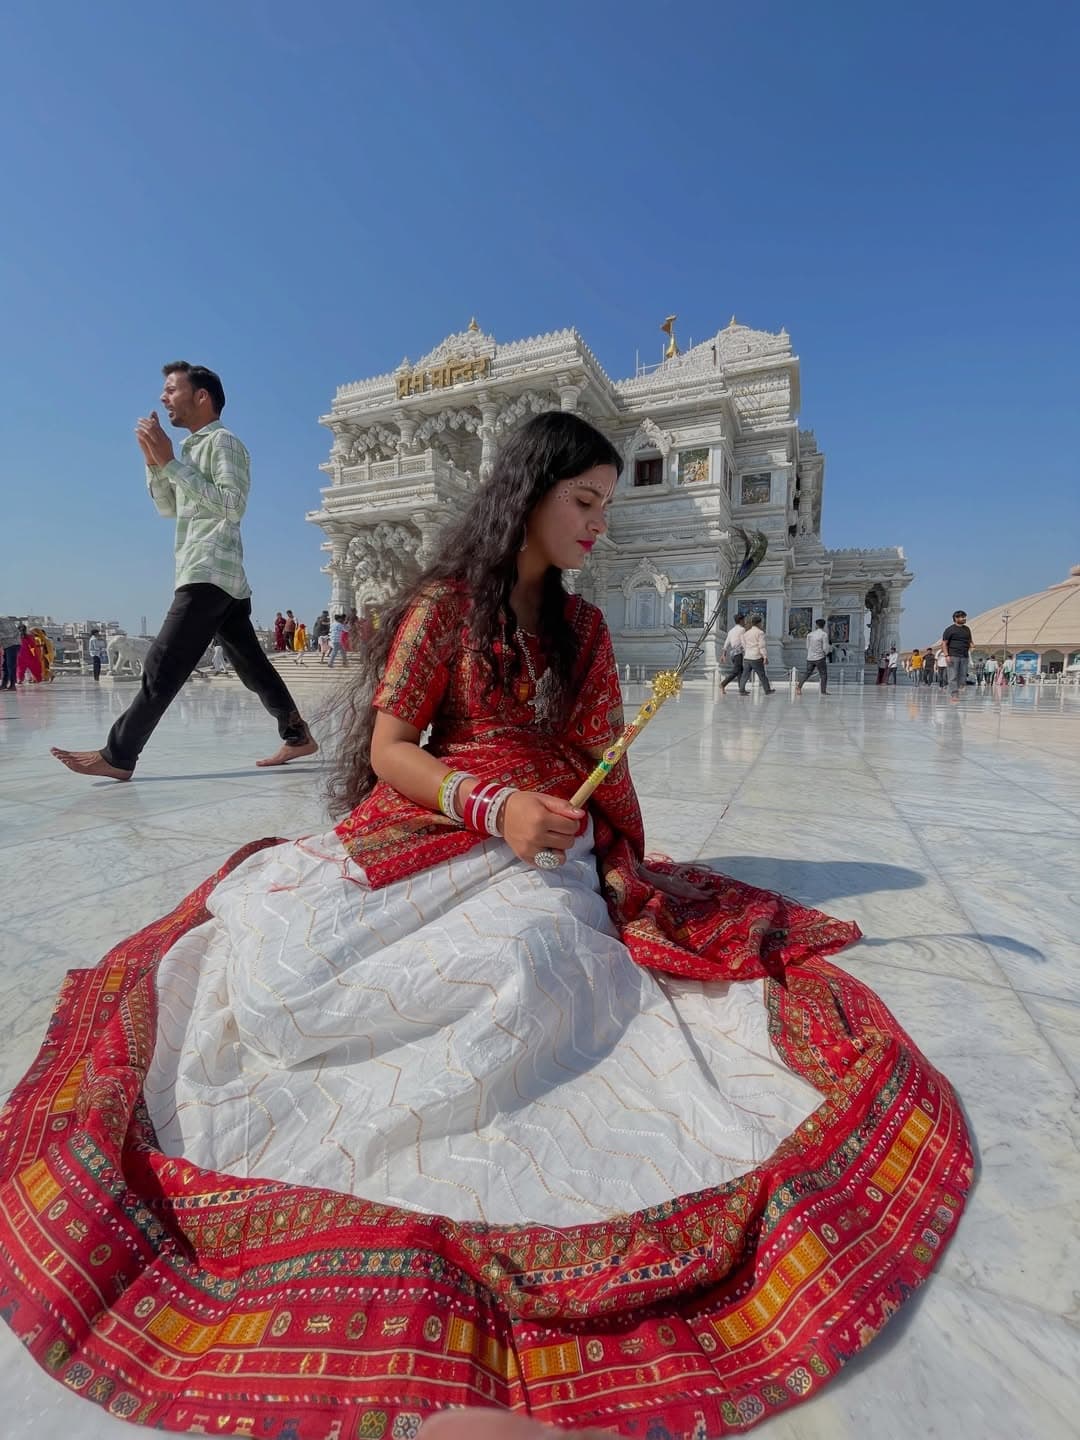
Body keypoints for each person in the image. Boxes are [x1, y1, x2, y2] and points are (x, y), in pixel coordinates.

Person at [0, 412, 970, 1434]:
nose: (597, 523)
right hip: (444, 820)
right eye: (583, 500)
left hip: (546, 843)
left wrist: (574, 823)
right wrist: (490, 806)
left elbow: (597, 765)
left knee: (529, 958)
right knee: (290, 971)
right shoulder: (446, 607)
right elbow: (392, 749)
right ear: (529, 493)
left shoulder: (586, 629)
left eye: (608, 504)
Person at [50, 362, 317, 780]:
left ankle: (119, 755)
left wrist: (171, 462)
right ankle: (297, 735)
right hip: (214, 573)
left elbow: (232, 506)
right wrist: (154, 463)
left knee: (163, 662)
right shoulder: (190, 450)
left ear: (202, 397)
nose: (163, 398)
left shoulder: (224, 442)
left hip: (210, 570)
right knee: (251, 665)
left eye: (172, 389)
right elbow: (168, 508)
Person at [941, 609, 973, 703]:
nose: (964, 619)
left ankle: (957, 689)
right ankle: (954, 694)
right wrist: (946, 655)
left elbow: (970, 640)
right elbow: (944, 643)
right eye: (962, 617)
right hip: (953, 655)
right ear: (956, 618)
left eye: (964, 617)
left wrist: (972, 645)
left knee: (963, 676)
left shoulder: (967, 629)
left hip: (964, 656)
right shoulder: (950, 630)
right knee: (953, 676)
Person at [737, 613, 772, 694]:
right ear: (759, 623)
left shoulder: (746, 633)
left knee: (745, 675)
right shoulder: (760, 633)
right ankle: (767, 690)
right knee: (762, 675)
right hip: (756, 657)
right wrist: (765, 656)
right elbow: (761, 646)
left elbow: (744, 644)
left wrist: (747, 651)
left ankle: (741, 690)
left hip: (747, 656)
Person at [796, 617, 829, 695]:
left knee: (807, 673)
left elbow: (807, 646)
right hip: (820, 657)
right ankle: (823, 691)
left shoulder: (810, 634)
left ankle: (799, 687)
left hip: (810, 657)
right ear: (824, 625)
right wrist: (825, 653)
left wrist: (811, 653)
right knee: (823, 674)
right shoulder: (824, 634)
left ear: (816, 625)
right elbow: (825, 647)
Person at [718, 611, 746, 692]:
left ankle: (741, 689)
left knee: (740, 671)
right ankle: (723, 684)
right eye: (744, 620)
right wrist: (747, 651)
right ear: (741, 620)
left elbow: (726, 643)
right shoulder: (742, 629)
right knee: (736, 671)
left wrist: (723, 655)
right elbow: (743, 642)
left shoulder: (731, 631)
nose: (744, 621)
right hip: (738, 653)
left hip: (732, 654)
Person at [0, 615, 20, 690]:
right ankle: (4, 684)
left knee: (10, 665)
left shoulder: (4, 621)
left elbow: (11, 634)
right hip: (6, 645)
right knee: (5, 665)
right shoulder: (4, 620)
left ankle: (12, 684)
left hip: (13, 644)